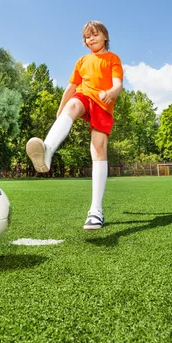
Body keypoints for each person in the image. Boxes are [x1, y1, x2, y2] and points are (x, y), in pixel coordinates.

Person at [26, 20, 123, 230]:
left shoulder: (113, 59)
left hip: (104, 105)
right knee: (72, 105)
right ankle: (47, 150)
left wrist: (111, 93)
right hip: (84, 96)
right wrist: (60, 112)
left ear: (105, 36)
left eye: (95, 35)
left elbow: (118, 85)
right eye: (87, 37)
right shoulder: (81, 61)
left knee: (98, 148)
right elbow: (70, 88)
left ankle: (95, 210)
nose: (91, 39)